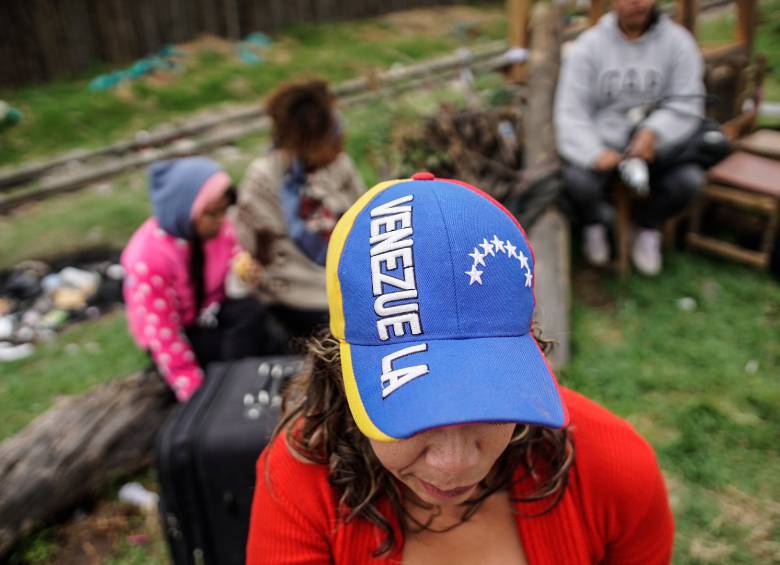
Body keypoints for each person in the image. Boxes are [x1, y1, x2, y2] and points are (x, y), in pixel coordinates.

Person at [246, 174, 674, 564]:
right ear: (342, 373)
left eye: (489, 399)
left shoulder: (617, 470)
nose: (453, 465)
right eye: (410, 406)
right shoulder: (296, 485)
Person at [554, 0, 706, 275]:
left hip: (656, 147)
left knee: (689, 181)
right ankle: (595, 223)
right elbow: (570, 110)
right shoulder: (589, 46)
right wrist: (594, 152)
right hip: (603, 144)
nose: (637, 2)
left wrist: (654, 133)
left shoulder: (678, 43)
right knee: (575, 181)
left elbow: (687, 103)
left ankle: (647, 226)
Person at [121, 157, 285, 402]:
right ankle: (232, 387)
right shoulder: (148, 260)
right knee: (234, 347)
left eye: (224, 210)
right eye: (213, 213)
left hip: (209, 312)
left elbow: (233, 253)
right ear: (186, 211)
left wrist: (243, 268)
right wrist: (193, 390)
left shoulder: (217, 231)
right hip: (180, 330)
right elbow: (165, 334)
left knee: (255, 314)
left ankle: (256, 373)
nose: (223, 219)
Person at [235, 79, 364, 339]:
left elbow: (362, 218)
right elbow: (259, 251)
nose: (342, 142)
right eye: (334, 137)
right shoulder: (265, 178)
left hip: (346, 278)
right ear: (308, 142)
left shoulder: (339, 164)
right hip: (297, 295)